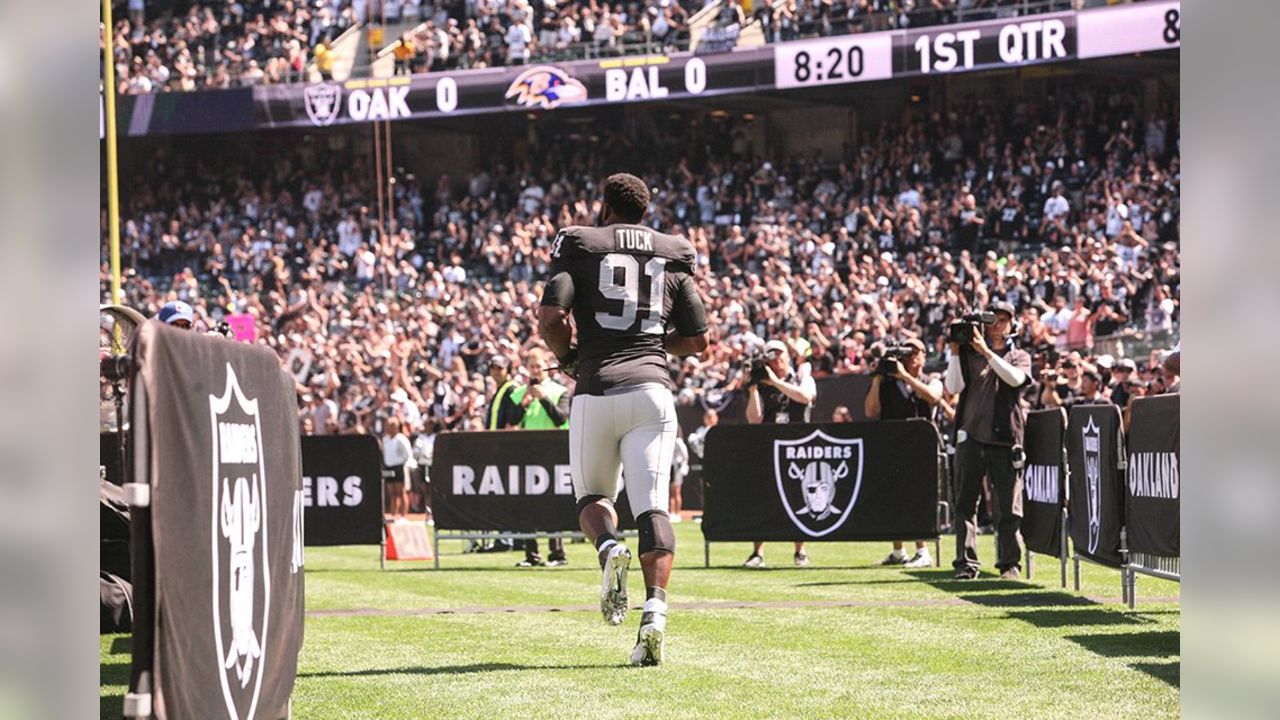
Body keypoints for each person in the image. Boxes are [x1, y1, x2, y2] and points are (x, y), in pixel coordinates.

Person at [538, 172, 709, 666]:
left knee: (594, 497)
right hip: (653, 392)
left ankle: (609, 546)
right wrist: (655, 344)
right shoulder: (672, 253)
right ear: (646, 210)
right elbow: (699, 341)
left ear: (605, 207)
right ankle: (654, 613)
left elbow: (551, 318)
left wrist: (569, 355)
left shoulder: (581, 244)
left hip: (597, 388)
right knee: (653, 507)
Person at [944, 301, 1032, 580]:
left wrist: (985, 351)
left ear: (1012, 324)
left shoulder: (1019, 355)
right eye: (993, 318)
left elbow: (1016, 379)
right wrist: (956, 353)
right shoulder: (969, 354)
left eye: (1003, 319)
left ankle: (1009, 564)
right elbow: (953, 388)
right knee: (965, 504)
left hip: (1005, 437)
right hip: (970, 436)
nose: (997, 324)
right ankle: (966, 563)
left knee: (1008, 506)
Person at [864, 338, 942, 568]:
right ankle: (898, 551)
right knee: (893, 498)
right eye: (906, 353)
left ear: (923, 356)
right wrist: (878, 378)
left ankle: (923, 551)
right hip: (892, 445)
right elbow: (870, 411)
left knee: (917, 497)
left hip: (920, 447)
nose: (910, 356)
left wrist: (906, 377)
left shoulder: (932, 379)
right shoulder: (887, 383)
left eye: (914, 352)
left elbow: (934, 396)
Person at [742, 339, 817, 569]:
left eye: (780, 355)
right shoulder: (763, 385)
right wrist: (754, 387)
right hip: (770, 446)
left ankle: (800, 551)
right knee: (763, 497)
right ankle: (757, 553)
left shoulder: (802, 376)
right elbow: (754, 418)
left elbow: (805, 397)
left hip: (799, 446)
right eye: (772, 358)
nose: (777, 361)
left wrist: (774, 381)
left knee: (799, 496)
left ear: (788, 355)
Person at [510, 348, 571, 567]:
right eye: (532, 366)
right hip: (527, 453)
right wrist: (525, 401)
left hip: (553, 454)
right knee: (528, 506)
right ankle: (531, 554)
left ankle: (557, 554)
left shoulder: (559, 391)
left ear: (547, 366)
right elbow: (511, 420)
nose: (535, 370)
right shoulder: (519, 393)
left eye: (539, 366)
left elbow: (560, 418)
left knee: (553, 504)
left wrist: (543, 398)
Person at [381, 418, 414, 521]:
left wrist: (404, 464)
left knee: (401, 491)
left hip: (399, 466)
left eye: (392, 426)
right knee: (392, 493)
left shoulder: (401, 439)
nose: (389, 428)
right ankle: (393, 514)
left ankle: (403, 515)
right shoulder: (385, 439)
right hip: (389, 466)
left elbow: (407, 454)